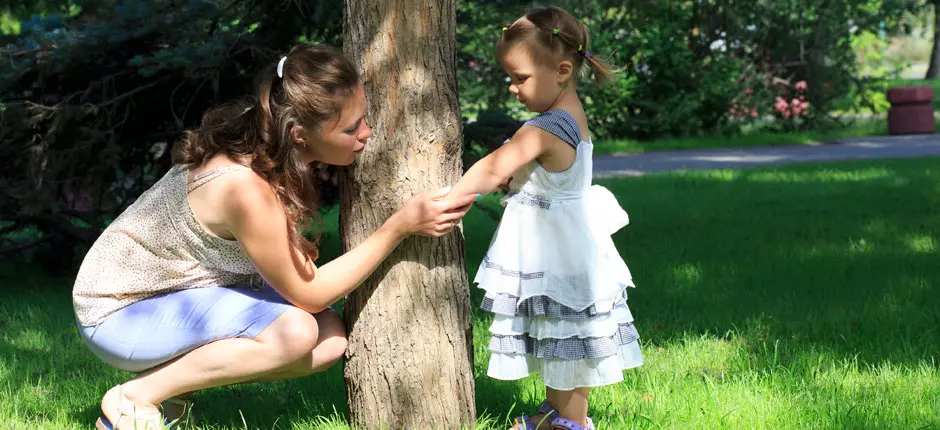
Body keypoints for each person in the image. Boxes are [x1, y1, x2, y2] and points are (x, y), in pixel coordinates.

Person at [72, 43, 480, 430]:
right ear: (301, 134)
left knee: (331, 339)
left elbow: (304, 288)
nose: (367, 133)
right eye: (352, 127)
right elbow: (311, 292)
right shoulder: (244, 189)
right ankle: (133, 398)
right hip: (117, 313)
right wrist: (398, 227)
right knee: (296, 332)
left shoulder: (263, 143)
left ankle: (172, 387)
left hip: (176, 296)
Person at [445, 7, 642, 430]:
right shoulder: (570, 117)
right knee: (560, 337)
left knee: (568, 341)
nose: (513, 88)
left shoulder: (546, 127)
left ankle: (571, 424)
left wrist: (447, 198)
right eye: (511, 77)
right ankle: (556, 415)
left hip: (558, 252)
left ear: (563, 69)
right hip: (566, 246)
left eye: (521, 78)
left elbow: (494, 168)